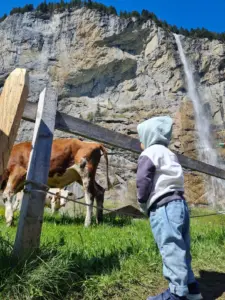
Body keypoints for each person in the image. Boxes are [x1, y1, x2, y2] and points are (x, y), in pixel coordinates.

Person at [136, 116, 202, 300]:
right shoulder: (169, 153)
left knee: (170, 248)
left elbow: (143, 179)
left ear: (149, 137)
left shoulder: (149, 153)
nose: (140, 142)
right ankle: (192, 289)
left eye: (141, 138)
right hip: (180, 203)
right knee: (182, 246)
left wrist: (142, 202)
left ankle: (177, 294)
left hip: (163, 207)